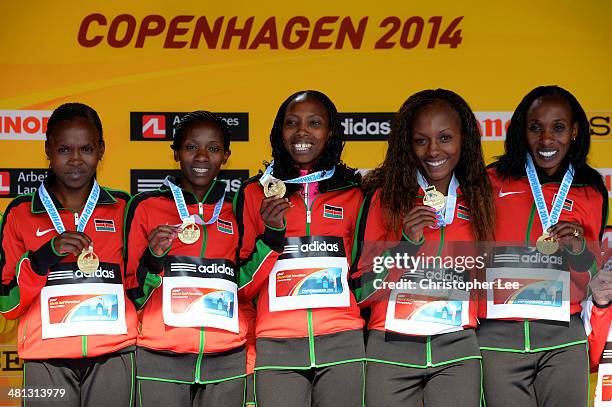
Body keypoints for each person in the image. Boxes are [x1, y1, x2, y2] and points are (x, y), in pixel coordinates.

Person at [124, 111, 287, 406]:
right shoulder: (146, 207)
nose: (201, 156)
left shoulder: (234, 209)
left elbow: (244, 286)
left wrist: (272, 239)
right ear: (175, 152)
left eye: (213, 148)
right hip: (161, 357)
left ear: (226, 156)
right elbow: (132, 294)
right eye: (190, 147)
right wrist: (154, 259)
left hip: (225, 358)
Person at [354, 89, 495, 406]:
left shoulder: (482, 198)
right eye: (421, 140)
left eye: (445, 138)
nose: (433, 150)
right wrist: (406, 244)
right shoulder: (384, 198)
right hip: (391, 345)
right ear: (408, 144)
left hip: (456, 346)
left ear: (464, 139)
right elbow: (363, 288)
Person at [0, 103, 138, 406]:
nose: (76, 160)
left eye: (86, 148)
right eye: (64, 150)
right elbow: (6, 304)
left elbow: (139, 288)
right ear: (48, 149)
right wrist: (43, 257)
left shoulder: (125, 208)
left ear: (101, 150)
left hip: (113, 354)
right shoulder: (21, 213)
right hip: (46, 357)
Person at [479, 85, 608, 406]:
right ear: (522, 131)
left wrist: (578, 249)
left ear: (575, 131)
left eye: (558, 128)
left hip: (563, 338)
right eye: (536, 128)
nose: (547, 139)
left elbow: (592, 273)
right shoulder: (491, 180)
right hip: (497, 338)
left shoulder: (590, 189)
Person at [234, 90, 365, 406]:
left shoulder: (355, 194)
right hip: (277, 343)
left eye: (315, 123)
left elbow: (364, 274)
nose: (302, 132)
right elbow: (239, 287)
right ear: (280, 132)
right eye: (292, 123)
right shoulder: (255, 193)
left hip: (343, 341)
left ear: (330, 131)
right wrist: (271, 237)